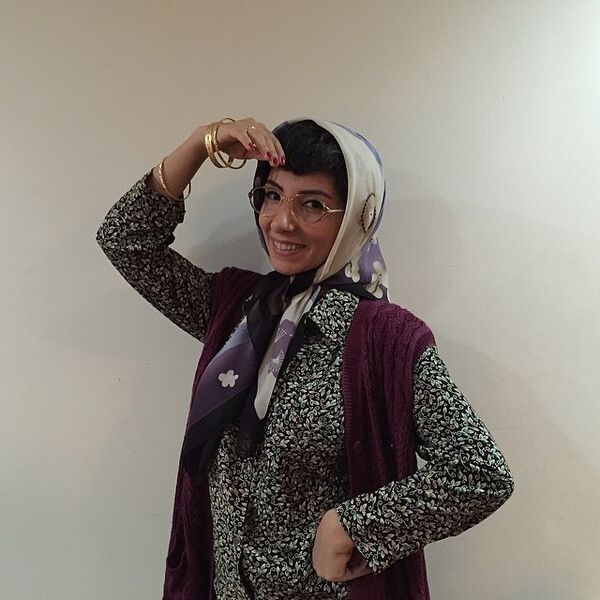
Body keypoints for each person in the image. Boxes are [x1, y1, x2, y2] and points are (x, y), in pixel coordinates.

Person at [96, 116, 514, 600]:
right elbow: (126, 242)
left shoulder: (387, 341)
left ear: (357, 215)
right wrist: (202, 142)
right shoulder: (238, 309)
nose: (281, 221)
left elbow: (479, 472)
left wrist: (354, 525)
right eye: (272, 195)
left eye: (313, 204)